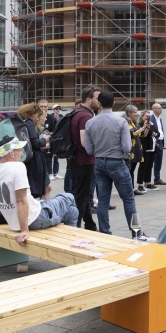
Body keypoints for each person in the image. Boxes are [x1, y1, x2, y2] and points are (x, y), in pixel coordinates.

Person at [0, 137, 79, 246]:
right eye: (19, 151)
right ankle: (72, 245)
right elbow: (20, 200)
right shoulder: (17, 167)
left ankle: (70, 242)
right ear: (11, 153)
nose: (22, 154)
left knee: (73, 211)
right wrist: (24, 230)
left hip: (15, 223)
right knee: (69, 197)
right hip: (36, 218)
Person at [85, 91, 155, 241]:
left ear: (99, 103)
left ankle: (105, 233)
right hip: (117, 161)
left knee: (103, 200)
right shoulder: (120, 122)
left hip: (99, 162)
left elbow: (89, 149)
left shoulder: (90, 122)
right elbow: (127, 147)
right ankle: (136, 234)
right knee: (129, 199)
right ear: (114, 103)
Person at [69, 85, 100, 231]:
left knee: (85, 194)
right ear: (88, 99)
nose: (99, 101)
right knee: (82, 196)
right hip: (83, 161)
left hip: (78, 160)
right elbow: (84, 142)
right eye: (97, 98)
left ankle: (90, 224)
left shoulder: (78, 112)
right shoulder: (85, 116)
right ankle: (75, 227)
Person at [17, 103, 51, 199]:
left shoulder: (22, 122)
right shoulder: (29, 123)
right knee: (36, 190)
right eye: (37, 115)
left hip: (27, 158)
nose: (37, 117)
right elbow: (35, 143)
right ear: (32, 113)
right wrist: (44, 139)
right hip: (34, 159)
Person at [137, 110, 160, 193]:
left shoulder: (151, 124)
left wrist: (154, 131)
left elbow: (157, 133)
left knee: (149, 166)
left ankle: (148, 183)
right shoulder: (140, 125)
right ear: (142, 117)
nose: (148, 118)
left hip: (152, 148)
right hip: (145, 148)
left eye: (149, 116)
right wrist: (146, 127)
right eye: (146, 116)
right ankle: (140, 185)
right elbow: (144, 135)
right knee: (143, 166)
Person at [124, 105, 144, 188]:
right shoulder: (126, 122)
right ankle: (130, 188)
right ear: (129, 113)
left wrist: (145, 128)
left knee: (132, 170)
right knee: (129, 170)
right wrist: (143, 128)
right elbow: (132, 133)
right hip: (130, 150)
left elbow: (140, 135)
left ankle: (132, 188)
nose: (136, 114)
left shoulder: (134, 123)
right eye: (134, 112)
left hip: (136, 149)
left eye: (136, 112)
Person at [150, 103, 166, 186]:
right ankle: (147, 180)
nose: (161, 109)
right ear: (154, 109)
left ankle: (157, 178)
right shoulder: (151, 118)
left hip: (160, 142)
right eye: (159, 108)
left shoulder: (160, 119)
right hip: (154, 142)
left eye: (161, 108)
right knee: (151, 161)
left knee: (158, 161)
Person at [49, 104, 62, 179]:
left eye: (59, 108)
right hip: (51, 137)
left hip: (58, 139)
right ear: (53, 109)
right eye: (56, 108)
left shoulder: (61, 117)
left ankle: (56, 173)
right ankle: (50, 173)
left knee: (56, 156)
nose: (58, 110)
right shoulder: (50, 118)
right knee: (50, 156)